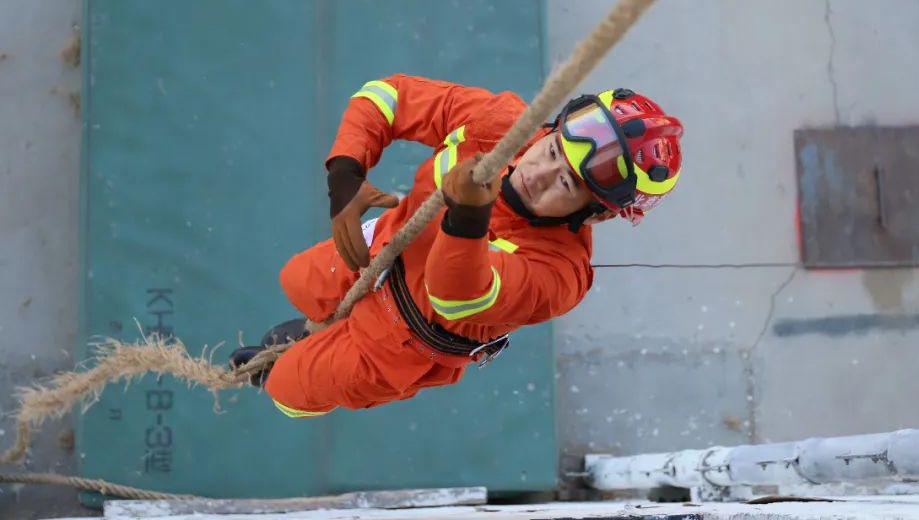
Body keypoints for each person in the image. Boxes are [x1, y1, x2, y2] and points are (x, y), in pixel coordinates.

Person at [230, 74, 684, 418]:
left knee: (288, 392)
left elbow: (456, 295)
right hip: (386, 246)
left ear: (598, 214)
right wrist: (346, 171)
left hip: (402, 341)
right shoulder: (502, 123)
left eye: (564, 182)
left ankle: (298, 360)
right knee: (297, 279)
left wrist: (468, 218)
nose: (536, 173)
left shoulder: (561, 274)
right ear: (551, 128)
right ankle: (315, 333)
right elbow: (387, 97)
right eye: (551, 151)